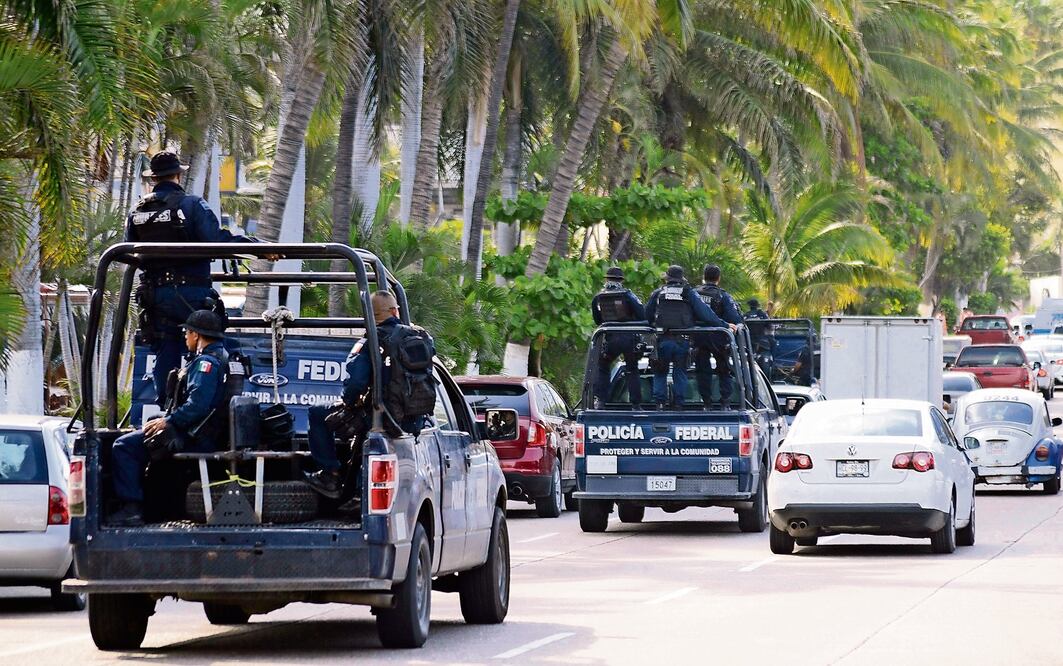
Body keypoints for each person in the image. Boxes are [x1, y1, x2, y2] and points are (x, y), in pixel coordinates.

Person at [126, 150, 262, 407]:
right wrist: (257, 246)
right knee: (211, 347)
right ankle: (205, 406)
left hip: (156, 296)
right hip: (192, 294)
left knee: (165, 353)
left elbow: (130, 250)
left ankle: (167, 408)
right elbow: (217, 241)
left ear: (154, 178)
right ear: (178, 175)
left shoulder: (137, 211)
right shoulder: (192, 205)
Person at [304, 291, 435, 498]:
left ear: (370, 316)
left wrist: (348, 402)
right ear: (395, 311)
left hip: (383, 417)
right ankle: (357, 490)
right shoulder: (421, 338)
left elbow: (356, 382)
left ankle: (330, 475)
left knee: (317, 413)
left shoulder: (371, 342)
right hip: (414, 420)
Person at [108, 310, 231, 526]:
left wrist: (169, 421)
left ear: (196, 335)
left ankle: (131, 509)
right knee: (151, 425)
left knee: (124, 446)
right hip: (201, 433)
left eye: (187, 332)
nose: (185, 337)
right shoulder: (220, 357)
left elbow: (198, 406)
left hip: (193, 437)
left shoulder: (206, 363)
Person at [645, 265, 730, 410]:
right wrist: (725, 325)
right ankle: (679, 405)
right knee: (680, 372)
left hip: (662, 340)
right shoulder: (688, 293)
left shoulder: (658, 293)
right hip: (682, 341)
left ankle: (660, 404)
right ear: (681, 279)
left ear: (667, 279)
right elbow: (706, 314)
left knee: (660, 372)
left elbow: (647, 315)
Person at [590, 266, 647, 408]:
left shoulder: (598, 297)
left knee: (603, 366)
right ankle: (636, 404)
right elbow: (642, 314)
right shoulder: (628, 295)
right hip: (629, 338)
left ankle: (601, 401)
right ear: (621, 280)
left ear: (607, 280)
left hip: (611, 339)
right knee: (632, 369)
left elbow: (597, 320)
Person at [693, 264, 745, 409]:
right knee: (724, 369)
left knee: (703, 371)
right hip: (719, 338)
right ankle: (725, 403)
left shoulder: (694, 294)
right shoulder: (723, 295)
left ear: (703, 277)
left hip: (698, 338)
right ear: (718, 278)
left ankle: (706, 403)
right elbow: (735, 317)